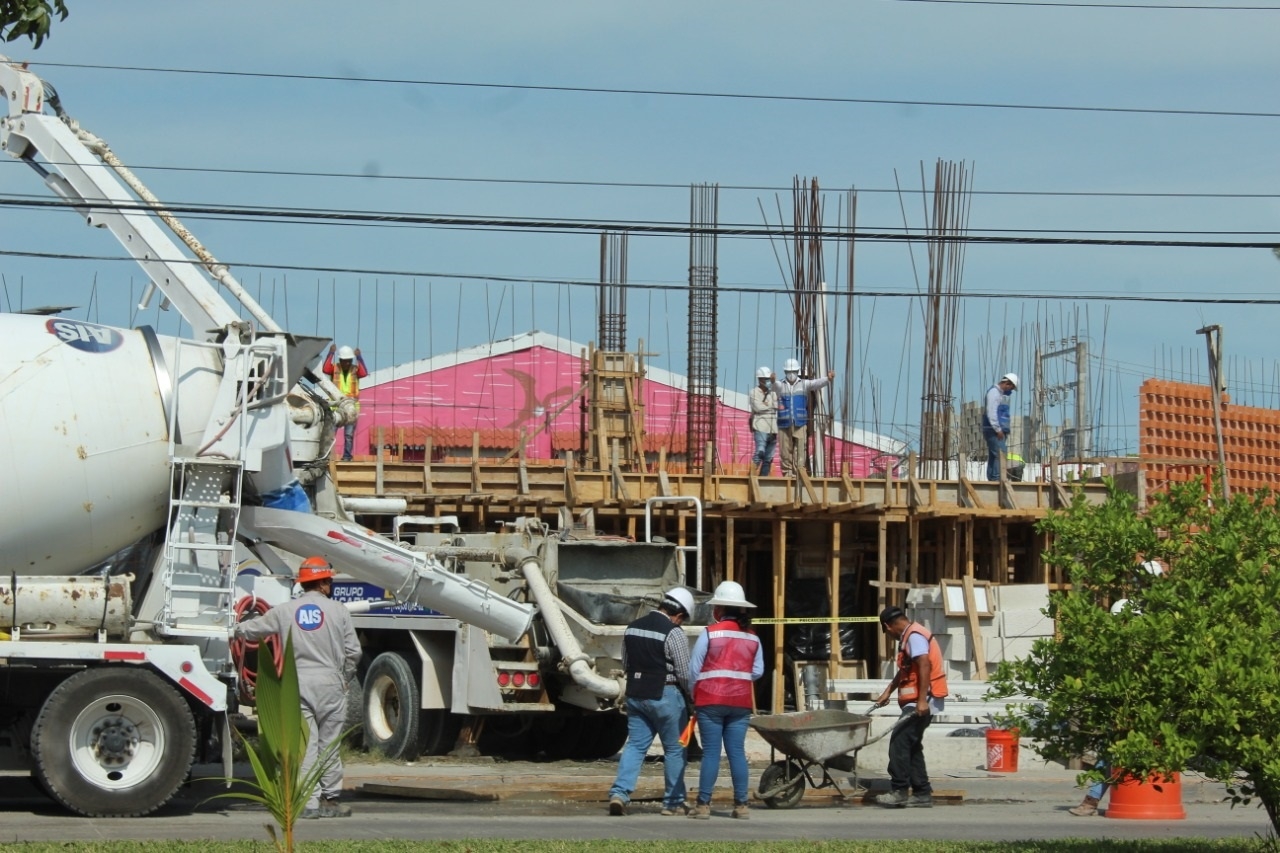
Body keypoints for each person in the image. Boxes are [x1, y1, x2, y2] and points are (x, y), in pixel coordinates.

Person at [234, 556, 362, 819]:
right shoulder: (339, 611)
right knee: (329, 745)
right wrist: (345, 677)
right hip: (331, 682)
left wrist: (233, 629)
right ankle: (330, 800)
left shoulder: (284, 611)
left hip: (298, 683)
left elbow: (253, 630)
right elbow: (353, 652)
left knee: (307, 744)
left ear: (303, 584)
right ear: (324, 583)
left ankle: (309, 803)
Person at [1069, 559, 1166, 816]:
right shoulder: (1119, 647)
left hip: (1148, 706)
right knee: (1112, 752)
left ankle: (1101, 800)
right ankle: (1092, 800)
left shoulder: (1155, 625)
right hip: (1125, 706)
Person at [608, 587, 695, 817]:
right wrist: (692, 697)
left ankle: (619, 794)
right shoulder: (674, 632)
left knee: (635, 746)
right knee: (675, 750)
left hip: (636, 694)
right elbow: (684, 673)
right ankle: (673, 802)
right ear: (679, 615)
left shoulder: (632, 627)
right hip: (666, 696)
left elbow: (626, 663)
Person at [688, 580, 763, 820]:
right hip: (740, 702)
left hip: (709, 700)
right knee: (737, 753)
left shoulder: (710, 633)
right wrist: (738, 677)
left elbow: (693, 670)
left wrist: (694, 693)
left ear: (718, 610)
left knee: (711, 753)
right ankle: (741, 805)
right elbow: (758, 670)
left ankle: (703, 805)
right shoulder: (752, 638)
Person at [872, 605, 949, 808]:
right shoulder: (912, 635)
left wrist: (922, 700)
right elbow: (907, 669)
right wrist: (888, 691)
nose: (889, 636)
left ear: (888, 626)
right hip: (921, 700)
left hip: (922, 701)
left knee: (899, 743)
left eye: (887, 632)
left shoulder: (914, 636)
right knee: (912, 746)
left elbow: (924, 664)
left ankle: (899, 791)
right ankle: (922, 792)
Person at [772, 358, 835, 478]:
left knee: (800, 449)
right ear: (785, 372)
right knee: (785, 450)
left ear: (797, 371)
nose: (791, 374)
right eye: (789, 372)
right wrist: (772, 380)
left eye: (794, 371)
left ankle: (799, 471)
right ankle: (788, 473)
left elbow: (816, 383)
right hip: (784, 423)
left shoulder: (804, 384)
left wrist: (828, 379)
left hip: (800, 423)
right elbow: (774, 386)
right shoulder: (781, 385)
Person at [323, 344, 369, 461]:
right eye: (344, 361)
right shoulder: (334, 368)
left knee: (348, 435)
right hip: (335, 407)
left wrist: (359, 358)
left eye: (349, 361)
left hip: (351, 408)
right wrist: (330, 353)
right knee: (330, 434)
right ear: (340, 360)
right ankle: (326, 456)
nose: (347, 363)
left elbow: (364, 373)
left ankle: (347, 456)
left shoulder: (355, 369)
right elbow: (325, 369)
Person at [982, 373, 1018, 482]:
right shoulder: (994, 393)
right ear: (1007, 383)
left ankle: (993, 478)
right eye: (1011, 387)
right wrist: (997, 429)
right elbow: (991, 412)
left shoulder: (999, 394)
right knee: (1000, 453)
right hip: (993, 430)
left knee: (995, 455)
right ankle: (997, 478)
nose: (1010, 390)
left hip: (997, 430)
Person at [749, 366, 779, 476]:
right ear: (759, 380)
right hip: (760, 426)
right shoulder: (754, 392)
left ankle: (762, 480)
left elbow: (777, 405)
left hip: (772, 429)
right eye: (765, 379)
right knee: (759, 453)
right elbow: (757, 407)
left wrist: (768, 405)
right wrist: (771, 406)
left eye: (768, 379)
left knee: (768, 459)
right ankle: (751, 476)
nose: (767, 381)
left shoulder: (773, 393)